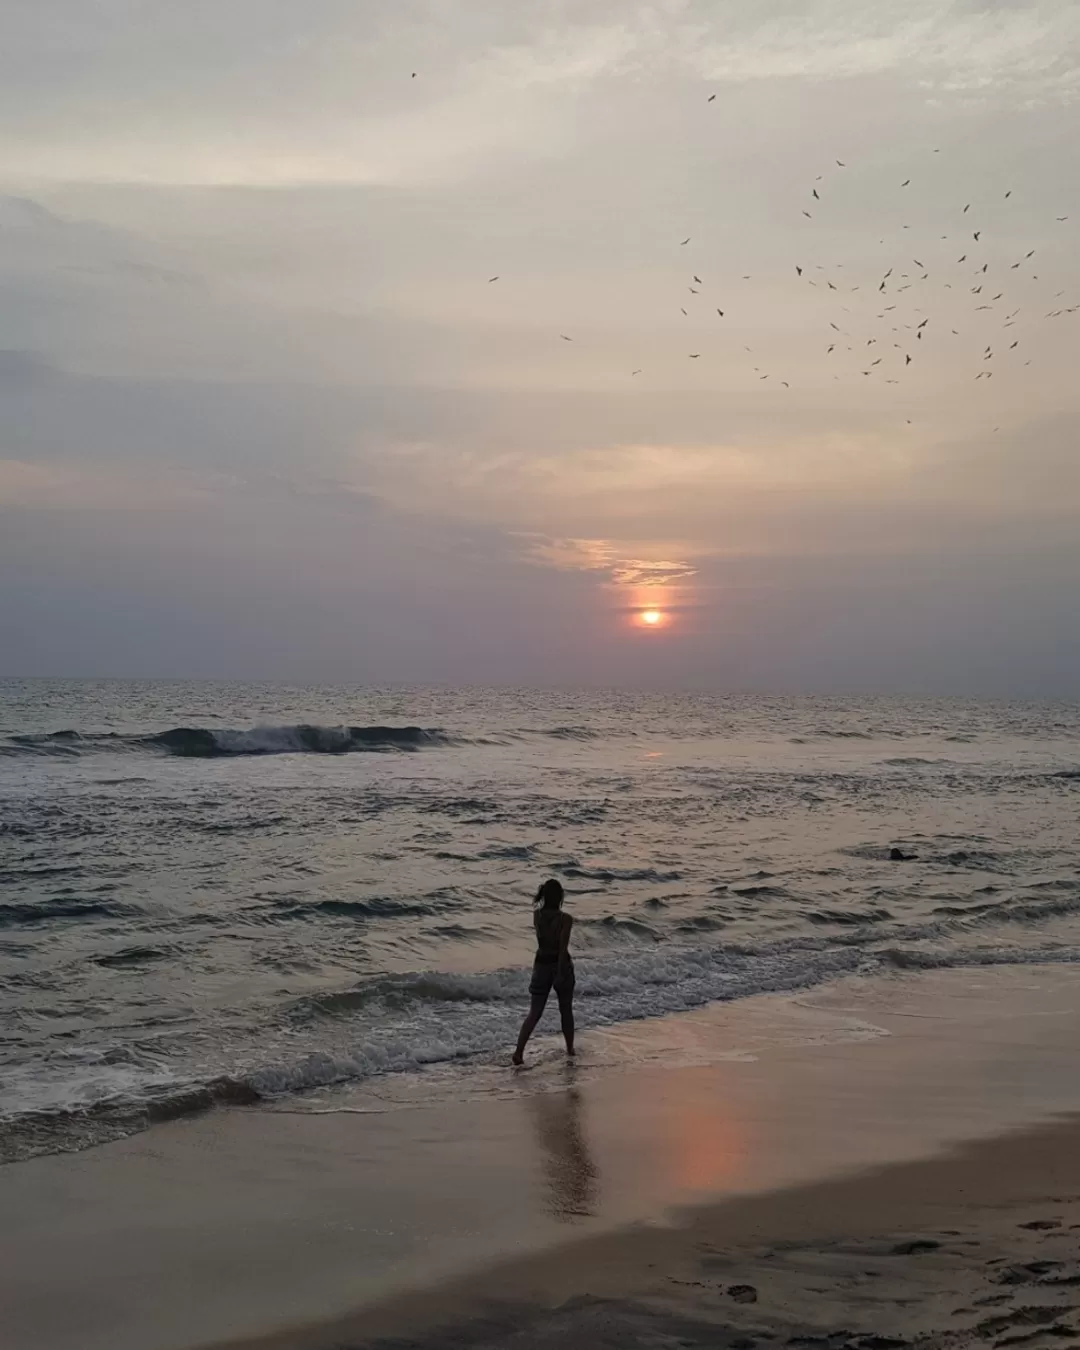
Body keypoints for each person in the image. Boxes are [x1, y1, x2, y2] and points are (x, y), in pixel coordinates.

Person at [512, 878, 575, 1065]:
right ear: (561, 897)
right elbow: (562, 948)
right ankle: (570, 1049)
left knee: (534, 1012)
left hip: (540, 965)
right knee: (566, 1010)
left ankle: (519, 1051)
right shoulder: (566, 920)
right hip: (559, 964)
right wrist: (561, 972)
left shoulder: (537, 916)